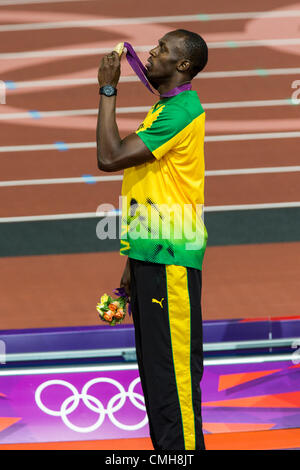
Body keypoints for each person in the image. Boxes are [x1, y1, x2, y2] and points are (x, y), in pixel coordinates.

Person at [97, 29, 208, 450]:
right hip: (152, 258)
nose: (151, 53)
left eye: (162, 50)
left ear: (182, 65)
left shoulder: (179, 112)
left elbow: (108, 157)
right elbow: (153, 192)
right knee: (157, 381)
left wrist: (108, 89)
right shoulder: (165, 108)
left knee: (174, 384)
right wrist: (130, 268)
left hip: (172, 265)